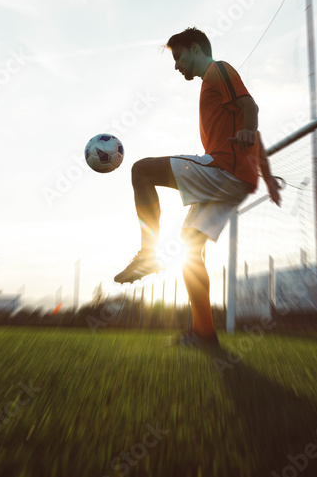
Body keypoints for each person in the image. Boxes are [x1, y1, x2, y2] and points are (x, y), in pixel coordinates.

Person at [114, 27, 282, 347]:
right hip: (236, 181)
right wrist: (269, 177)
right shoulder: (211, 87)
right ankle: (204, 334)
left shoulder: (218, 70)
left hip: (223, 170)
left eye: (178, 58)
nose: (177, 66)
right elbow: (253, 135)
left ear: (194, 48)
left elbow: (251, 110)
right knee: (190, 252)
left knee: (142, 171)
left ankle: (149, 252)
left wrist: (247, 131)